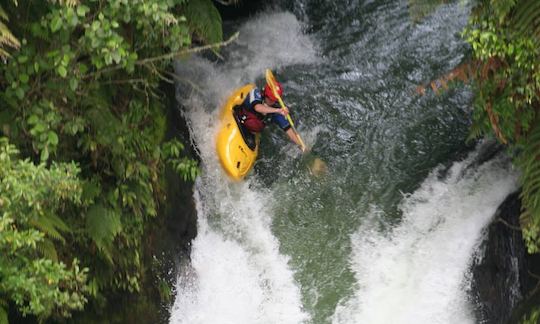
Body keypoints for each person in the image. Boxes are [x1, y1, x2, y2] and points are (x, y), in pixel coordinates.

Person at [236, 81, 305, 152]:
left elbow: (289, 131)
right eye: (270, 99)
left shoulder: (278, 112)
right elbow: (257, 107)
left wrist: (301, 145)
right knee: (252, 120)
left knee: (255, 126)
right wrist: (277, 110)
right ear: (265, 94)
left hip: (251, 130)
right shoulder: (256, 93)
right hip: (240, 116)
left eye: (274, 100)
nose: (272, 102)